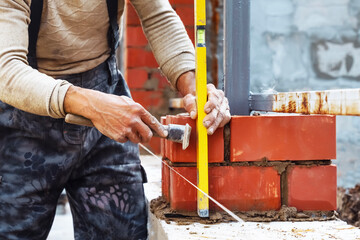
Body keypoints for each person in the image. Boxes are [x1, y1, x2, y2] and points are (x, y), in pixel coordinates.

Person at [0, 0, 231, 239]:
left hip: (104, 99)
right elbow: (6, 70)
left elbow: (158, 17)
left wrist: (194, 89)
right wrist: (92, 106)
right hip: (25, 114)